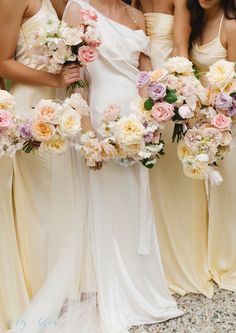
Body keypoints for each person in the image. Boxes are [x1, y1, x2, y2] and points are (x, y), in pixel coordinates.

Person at [7, 0, 183, 332]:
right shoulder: (79, 8)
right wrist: (89, 136)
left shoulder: (135, 15)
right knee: (107, 202)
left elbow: (143, 71)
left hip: (135, 115)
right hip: (101, 114)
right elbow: (78, 79)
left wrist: (150, 114)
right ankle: (111, 287)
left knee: (136, 201)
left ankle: (142, 287)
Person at [0, 0, 80, 330]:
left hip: (61, 107)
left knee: (61, 196)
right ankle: (37, 293)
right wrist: (56, 82)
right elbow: (3, 62)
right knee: (38, 201)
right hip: (31, 107)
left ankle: (57, 286)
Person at [132, 0, 213, 297]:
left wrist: (180, 93)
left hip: (169, 88)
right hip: (140, 82)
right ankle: (156, 263)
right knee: (152, 177)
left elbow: (180, 48)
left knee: (176, 174)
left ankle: (186, 257)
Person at [190, 0, 236, 291]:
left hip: (227, 121)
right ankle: (205, 254)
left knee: (227, 191)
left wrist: (219, 119)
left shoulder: (231, 25)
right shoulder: (195, 22)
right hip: (199, 118)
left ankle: (227, 259)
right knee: (204, 191)